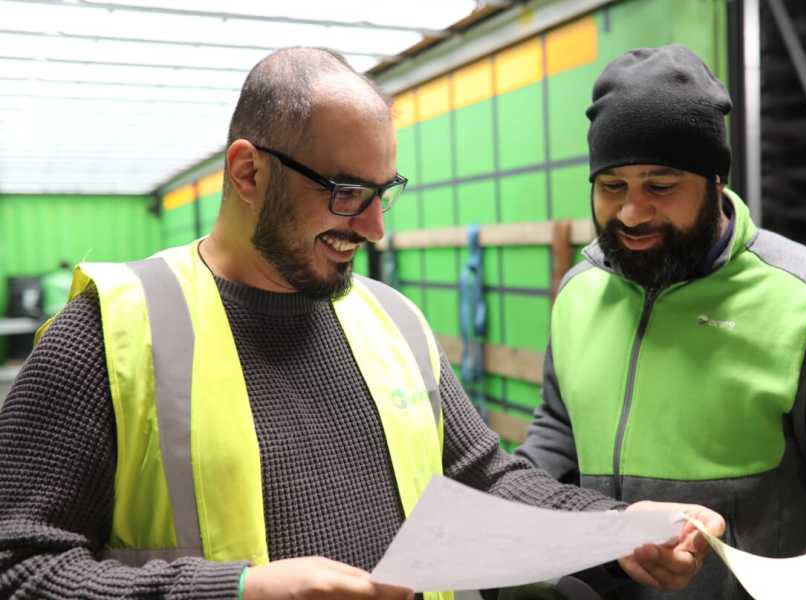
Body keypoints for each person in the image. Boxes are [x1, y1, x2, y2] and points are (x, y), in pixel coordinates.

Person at [0, 47, 724, 600]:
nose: (375, 227)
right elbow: (19, 565)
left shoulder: (393, 323)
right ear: (248, 173)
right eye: (348, 192)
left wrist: (619, 528)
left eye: (384, 193)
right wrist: (238, 591)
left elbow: (487, 479)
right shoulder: (109, 334)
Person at [516, 44, 806, 600]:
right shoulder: (579, 291)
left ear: (716, 182)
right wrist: (509, 504)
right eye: (611, 186)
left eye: (660, 186)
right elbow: (556, 430)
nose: (631, 212)